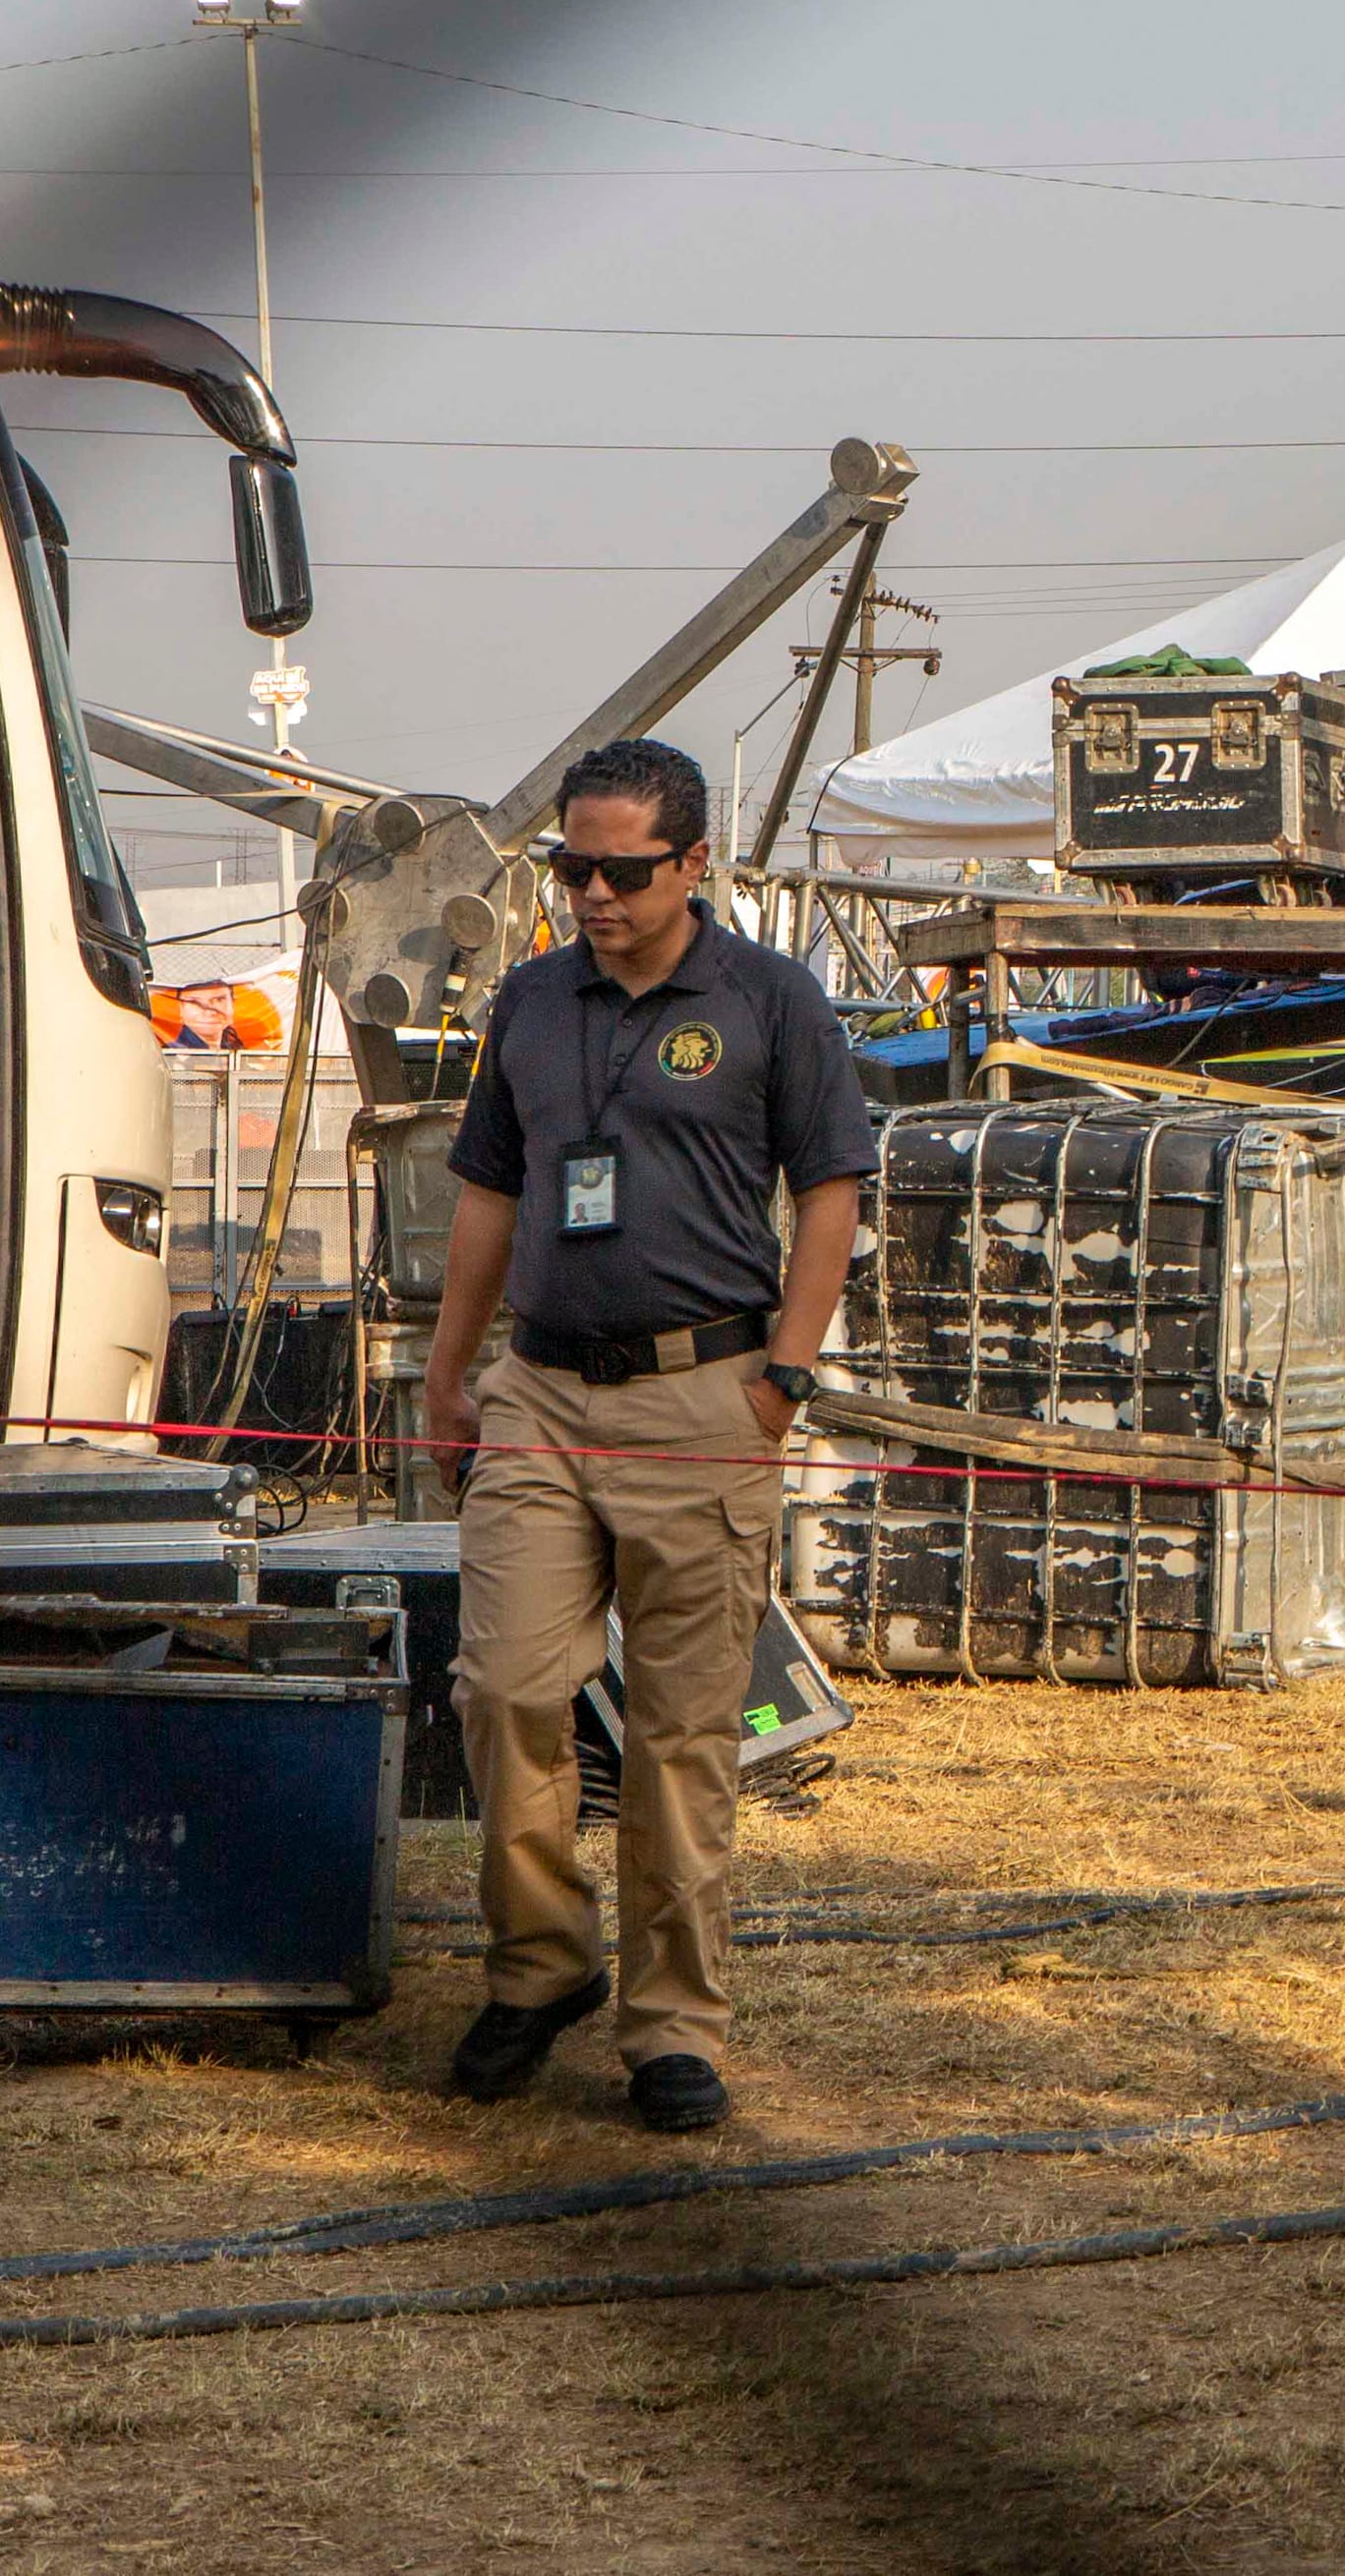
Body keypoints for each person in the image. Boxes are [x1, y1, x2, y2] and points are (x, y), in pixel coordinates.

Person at [420, 737, 874, 2131]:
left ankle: (670, 2025)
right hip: (542, 1395)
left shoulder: (770, 998)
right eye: (572, 867)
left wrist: (780, 1380)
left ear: (693, 864)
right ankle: (538, 1965)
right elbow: (490, 1193)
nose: (594, 894)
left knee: (685, 1731)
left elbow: (833, 1190)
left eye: (623, 869)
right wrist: (453, 1374)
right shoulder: (532, 1000)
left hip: (703, 1396)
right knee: (504, 1687)